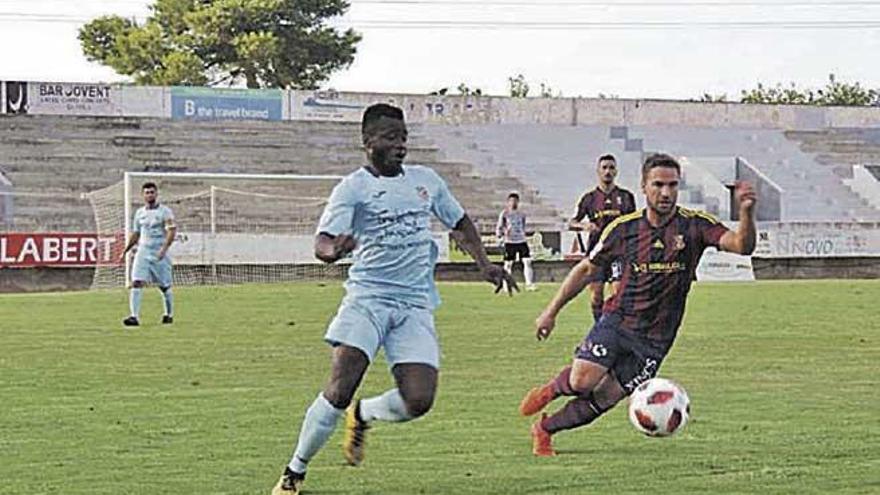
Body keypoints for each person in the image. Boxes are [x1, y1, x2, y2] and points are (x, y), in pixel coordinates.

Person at [272, 103, 517, 495]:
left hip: (415, 304)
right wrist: (335, 250)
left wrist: (484, 263)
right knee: (339, 388)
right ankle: (293, 473)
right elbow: (321, 242)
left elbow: (459, 221)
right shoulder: (353, 188)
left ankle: (364, 414)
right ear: (368, 142)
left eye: (403, 138)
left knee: (419, 399)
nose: (400, 145)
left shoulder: (426, 181)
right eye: (390, 137)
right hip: (368, 299)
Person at [520, 153, 756, 456]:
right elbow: (586, 270)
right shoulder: (624, 229)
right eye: (658, 184)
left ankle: (545, 429)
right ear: (644, 187)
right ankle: (552, 389)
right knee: (581, 382)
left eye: (672, 185)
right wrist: (550, 312)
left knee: (604, 398)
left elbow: (741, 246)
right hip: (618, 321)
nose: (666, 192)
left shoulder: (695, 226)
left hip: (656, 340)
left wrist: (747, 212)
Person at [569, 154, 636, 322]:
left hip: (619, 252)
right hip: (596, 254)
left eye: (611, 168)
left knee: (618, 293)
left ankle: (617, 329)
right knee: (596, 297)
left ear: (616, 172)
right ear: (598, 171)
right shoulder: (589, 198)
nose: (608, 171)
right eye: (604, 168)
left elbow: (635, 224)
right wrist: (585, 226)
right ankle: (599, 328)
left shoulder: (626, 197)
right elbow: (572, 222)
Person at [119, 182, 176, 326]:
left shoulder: (165, 212)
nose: (149, 195)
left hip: (159, 252)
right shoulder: (139, 213)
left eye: (152, 192)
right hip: (143, 251)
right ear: (143, 195)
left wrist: (164, 249)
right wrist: (126, 250)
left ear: (156, 194)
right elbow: (136, 233)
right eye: (147, 192)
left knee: (164, 286)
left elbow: (171, 231)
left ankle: (168, 314)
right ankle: (134, 316)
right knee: (136, 282)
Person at [496, 192, 536, 291]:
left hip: (521, 240)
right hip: (510, 242)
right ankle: (506, 285)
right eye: (511, 201)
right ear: (508, 202)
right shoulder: (505, 214)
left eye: (515, 201)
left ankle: (529, 284)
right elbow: (499, 227)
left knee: (527, 261)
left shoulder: (521, 214)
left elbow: (522, 226)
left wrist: (523, 234)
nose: (513, 203)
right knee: (508, 264)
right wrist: (503, 234)